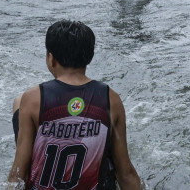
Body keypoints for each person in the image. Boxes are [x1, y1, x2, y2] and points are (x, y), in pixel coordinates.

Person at [7, 20, 141, 190]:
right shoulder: (111, 98)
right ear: (89, 57)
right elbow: (126, 173)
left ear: (51, 58)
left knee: (18, 102)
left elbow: (18, 175)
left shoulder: (33, 98)